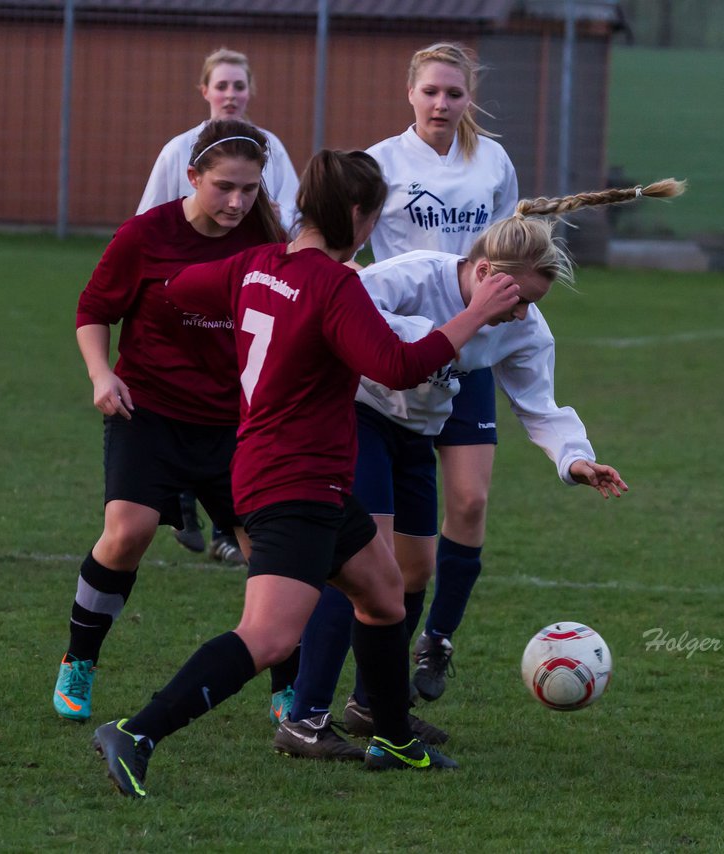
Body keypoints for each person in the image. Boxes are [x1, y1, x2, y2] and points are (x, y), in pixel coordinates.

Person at [89, 149, 522, 798]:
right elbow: (398, 367)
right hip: (294, 481)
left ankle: (396, 740)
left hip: (287, 469)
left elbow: (176, 290)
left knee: (380, 596)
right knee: (266, 635)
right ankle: (138, 732)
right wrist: (474, 312)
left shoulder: (256, 264)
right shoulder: (333, 284)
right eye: (375, 216)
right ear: (355, 214)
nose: (373, 229)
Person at [276, 182, 685, 755]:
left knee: (412, 573)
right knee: (364, 569)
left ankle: (372, 704)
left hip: (417, 436)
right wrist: (447, 329)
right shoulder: (414, 275)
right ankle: (304, 718)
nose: (521, 313)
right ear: (486, 269)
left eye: (532, 305)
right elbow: (339, 312)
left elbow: (540, 405)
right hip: (359, 420)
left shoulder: (523, 325)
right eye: (517, 298)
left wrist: (576, 458)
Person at [287, 41, 515, 720]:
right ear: (410, 94)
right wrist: (347, 282)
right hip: (394, 357)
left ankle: (431, 644)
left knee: (467, 508)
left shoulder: (493, 161)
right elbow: (339, 243)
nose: (442, 103)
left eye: (454, 92)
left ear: (469, 96)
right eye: (432, 92)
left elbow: (506, 246)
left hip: (463, 356)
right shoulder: (381, 165)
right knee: (372, 554)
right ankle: (320, 706)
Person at [50, 119, 286, 724]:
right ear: (192, 177)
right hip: (148, 410)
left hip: (237, 425)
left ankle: (292, 690)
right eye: (224, 187)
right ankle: (79, 660)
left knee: (272, 551)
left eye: (250, 189)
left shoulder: (267, 240)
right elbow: (92, 309)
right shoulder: (145, 236)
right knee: (127, 533)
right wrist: (102, 375)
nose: (237, 202)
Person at [138, 47, 298, 568]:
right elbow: (146, 224)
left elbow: (292, 221)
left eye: (239, 85)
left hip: (245, 298)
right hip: (185, 300)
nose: (230, 94)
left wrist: (275, 220)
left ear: (250, 91)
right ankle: (182, 499)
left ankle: (225, 523)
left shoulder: (269, 147)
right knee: (186, 397)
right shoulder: (178, 151)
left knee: (238, 403)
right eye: (221, 85)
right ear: (204, 91)